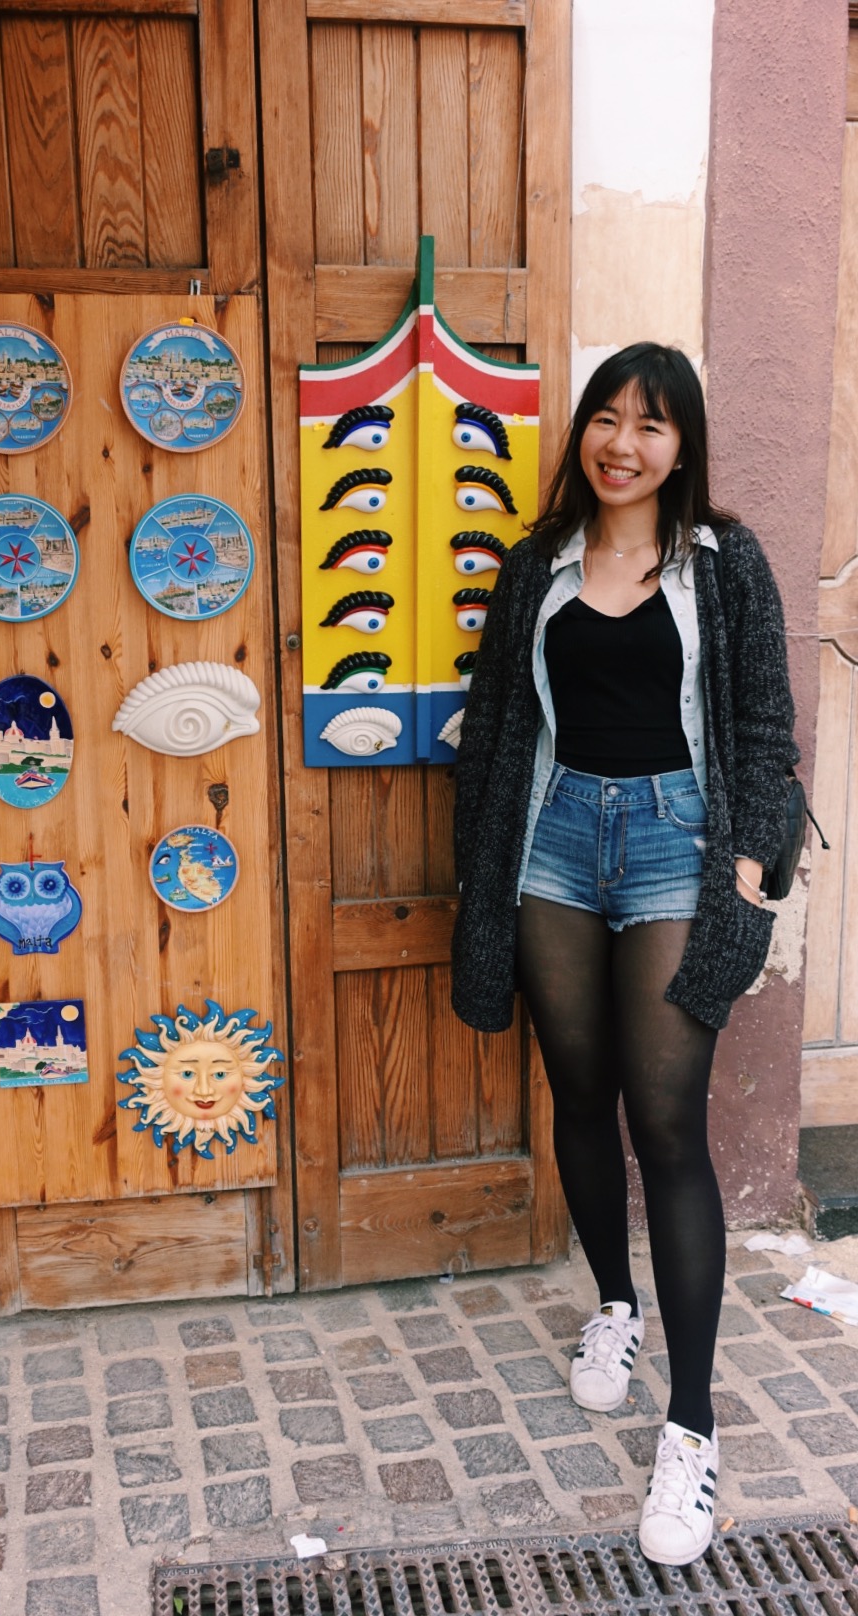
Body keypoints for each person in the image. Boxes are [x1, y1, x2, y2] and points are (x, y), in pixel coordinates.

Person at [451, 342, 797, 1566]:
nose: (623, 443)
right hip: (553, 839)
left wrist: (748, 863)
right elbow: (501, 722)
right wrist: (482, 860)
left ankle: (691, 1427)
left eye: (651, 424)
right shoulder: (537, 562)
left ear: (682, 443)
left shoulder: (725, 563)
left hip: (672, 845)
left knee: (668, 1124)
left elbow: (763, 718)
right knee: (579, 1095)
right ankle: (613, 1304)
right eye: (606, 418)